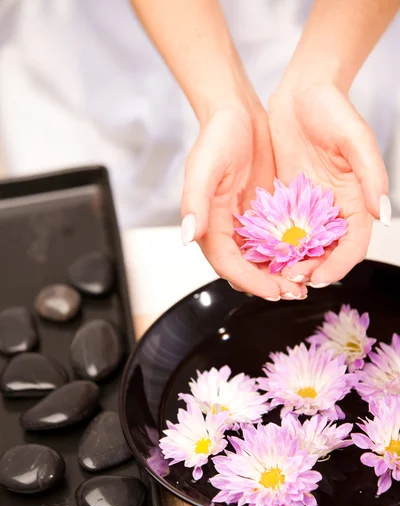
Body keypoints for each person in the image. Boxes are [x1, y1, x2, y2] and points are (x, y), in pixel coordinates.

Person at [1, 1, 399, 300]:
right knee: (116, 274)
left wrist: (320, 79)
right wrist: (225, 101)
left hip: (338, 28)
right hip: (97, 60)